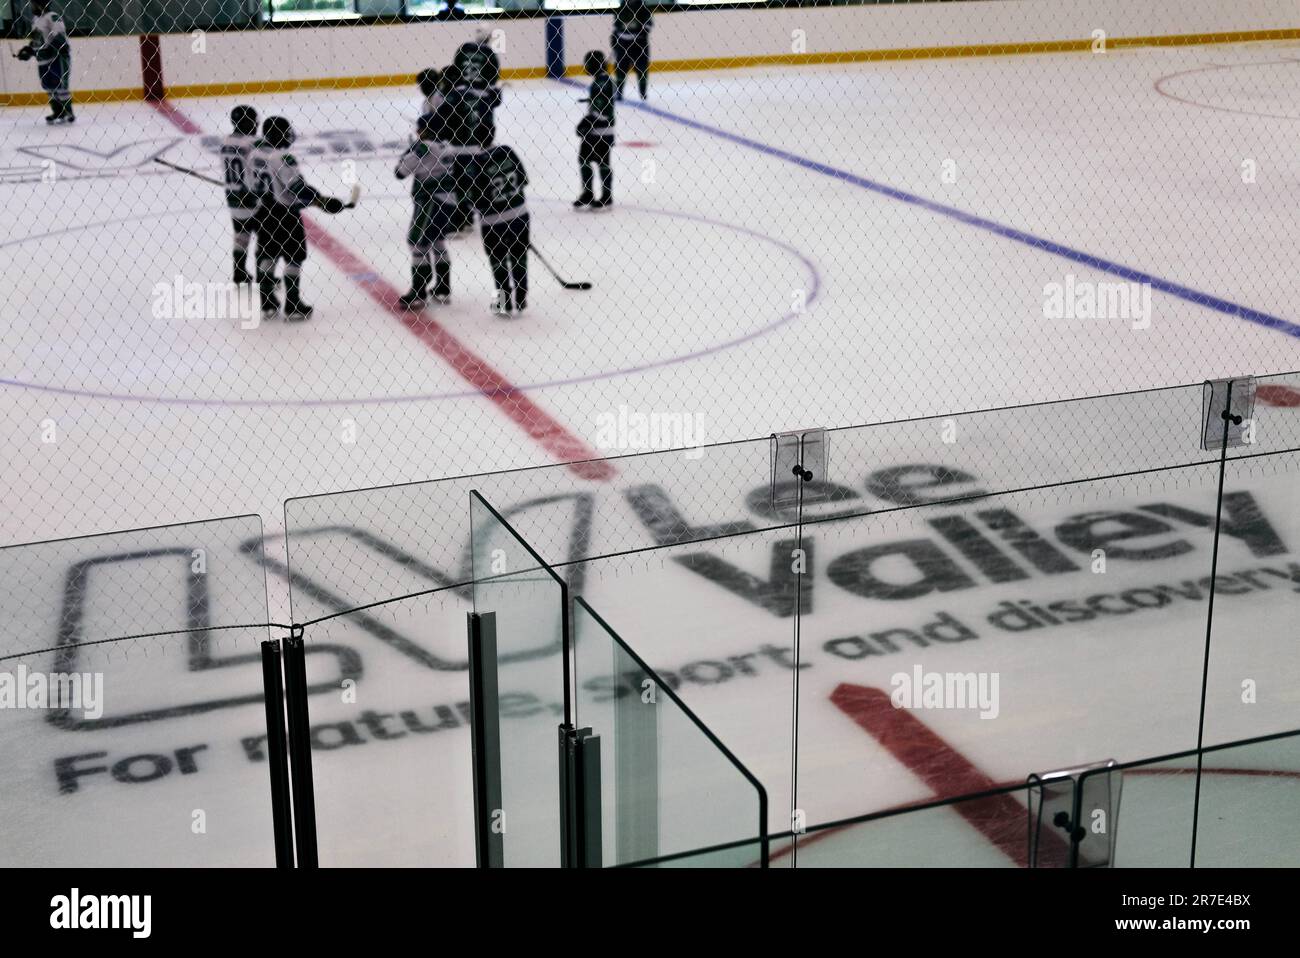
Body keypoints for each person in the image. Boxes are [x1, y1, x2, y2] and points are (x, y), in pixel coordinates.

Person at [249, 116, 353, 321]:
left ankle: (267, 301)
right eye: (286, 131)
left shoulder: (255, 154)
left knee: (268, 254)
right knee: (294, 256)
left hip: (262, 211)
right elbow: (296, 186)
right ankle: (293, 302)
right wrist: (320, 200)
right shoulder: (282, 157)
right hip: (284, 213)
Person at [394, 112, 456, 311]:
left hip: (431, 200)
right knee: (437, 241)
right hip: (449, 201)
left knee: (417, 242)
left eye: (420, 128)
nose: (417, 131)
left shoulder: (424, 148)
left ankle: (418, 291)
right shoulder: (448, 145)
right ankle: (443, 287)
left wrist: (410, 151)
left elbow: (400, 172)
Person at [443, 52, 501, 233]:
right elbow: (488, 122)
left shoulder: (452, 97)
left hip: (458, 148)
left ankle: (461, 218)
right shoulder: (483, 95)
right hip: (477, 146)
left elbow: (445, 122)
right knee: (475, 182)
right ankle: (476, 212)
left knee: (458, 184)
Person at [469, 143, 529, 316]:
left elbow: (475, 198)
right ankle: (521, 298)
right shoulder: (508, 151)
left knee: (498, 261)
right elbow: (524, 179)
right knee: (519, 256)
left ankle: (502, 304)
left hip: (493, 222)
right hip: (519, 215)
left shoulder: (478, 161)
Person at [16, 0, 74, 125]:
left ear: (41, 3)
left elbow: (59, 37)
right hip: (43, 61)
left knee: (60, 85)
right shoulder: (36, 20)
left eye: (33, 4)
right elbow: (37, 40)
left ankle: (68, 111)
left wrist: (45, 51)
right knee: (48, 86)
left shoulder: (52, 16)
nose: (32, 7)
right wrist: (29, 50)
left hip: (56, 58)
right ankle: (58, 112)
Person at [220, 105, 260, 286]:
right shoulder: (253, 143)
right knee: (265, 236)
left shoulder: (227, 140)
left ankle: (239, 271)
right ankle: (265, 275)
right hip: (251, 195)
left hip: (232, 194)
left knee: (241, 233)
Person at [574, 50, 615, 210]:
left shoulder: (600, 83)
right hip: (601, 130)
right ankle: (593, 193)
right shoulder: (603, 80)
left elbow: (602, 112)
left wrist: (586, 122)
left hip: (599, 130)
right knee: (588, 159)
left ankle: (605, 195)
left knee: (596, 161)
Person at [611, 0, 653, 101]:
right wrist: (615, 40)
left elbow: (648, 25)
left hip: (639, 44)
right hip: (623, 43)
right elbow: (616, 27)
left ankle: (643, 92)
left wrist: (641, 34)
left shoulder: (643, 7)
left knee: (642, 69)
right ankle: (619, 92)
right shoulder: (621, 7)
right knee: (621, 69)